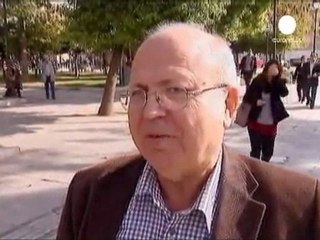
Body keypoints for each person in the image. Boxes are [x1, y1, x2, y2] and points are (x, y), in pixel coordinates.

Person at [57, 23, 320, 240]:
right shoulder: (89, 192)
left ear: (228, 104)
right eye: (139, 93)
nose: (150, 112)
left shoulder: (302, 207)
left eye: (175, 90)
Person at [243, 60, 289, 162]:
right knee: (255, 151)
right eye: (271, 68)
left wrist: (277, 79)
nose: (273, 70)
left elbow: (285, 93)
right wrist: (256, 102)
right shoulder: (258, 80)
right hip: (255, 121)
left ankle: (264, 167)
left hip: (270, 123)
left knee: (268, 152)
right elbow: (247, 97)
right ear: (267, 69)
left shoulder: (277, 83)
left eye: (275, 68)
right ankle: (255, 171)